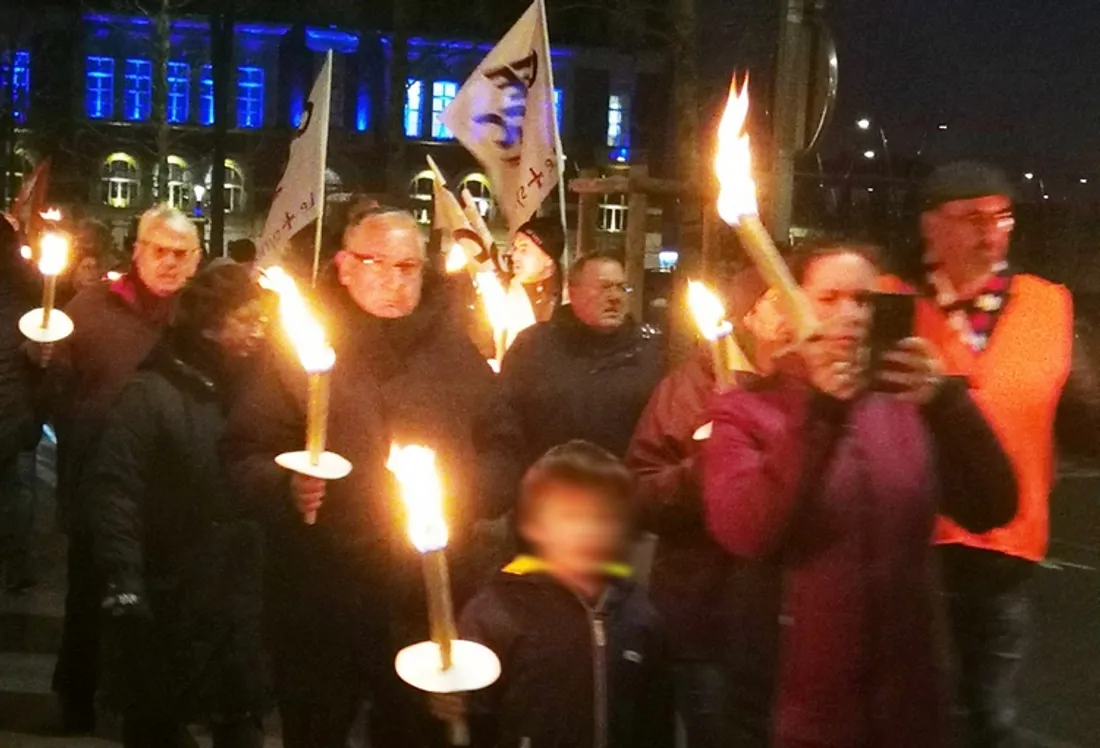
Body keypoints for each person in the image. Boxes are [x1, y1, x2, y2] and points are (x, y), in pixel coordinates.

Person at [223, 202, 519, 748]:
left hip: (425, 588)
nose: (393, 279)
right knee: (317, 723)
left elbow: (504, 446)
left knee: (413, 729)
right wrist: (285, 486)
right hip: (321, 584)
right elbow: (244, 451)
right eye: (375, 262)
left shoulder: (454, 350)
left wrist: (459, 497)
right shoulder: (302, 347)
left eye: (407, 267)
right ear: (344, 265)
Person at [703, 243, 1019, 748]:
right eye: (829, 298)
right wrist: (821, 413)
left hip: (908, 708)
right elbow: (746, 529)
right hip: (793, 714)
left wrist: (947, 401)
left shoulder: (906, 402)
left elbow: (993, 506)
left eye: (865, 299)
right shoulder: (747, 410)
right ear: (789, 305)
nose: (851, 313)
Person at [882, 162, 1100, 748]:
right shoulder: (890, 301)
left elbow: (1086, 421)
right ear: (930, 226)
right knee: (899, 712)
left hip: (1004, 553)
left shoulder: (1048, 305)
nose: (990, 233)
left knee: (986, 718)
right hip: (905, 548)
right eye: (972, 218)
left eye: (1001, 217)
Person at [89, 262, 270, 748]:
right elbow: (116, 488)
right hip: (169, 589)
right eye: (247, 320)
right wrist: (124, 578)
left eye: (263, 320)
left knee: (239, 719)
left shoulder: (258, 392)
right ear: (210, 326)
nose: (259, 332)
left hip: (236, 591)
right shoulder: (152, 392)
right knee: (158, 720)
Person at [48, 205, 202, 732]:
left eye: (181, 253)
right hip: (98, 480)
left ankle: (149, 706)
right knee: (90, 593)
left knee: (161, 599)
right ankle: (77, 697)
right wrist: (42, 363)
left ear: (196, 259)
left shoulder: (198, 316)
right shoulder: (93, 307)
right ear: (137, 252)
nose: (169, 262)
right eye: (159, 250)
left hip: (173, 490)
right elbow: (55, 387)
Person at [440, 441, 673, 748]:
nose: (588, 530)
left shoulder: (639, 617)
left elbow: (656, 724)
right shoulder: (496, 615)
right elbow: (469, 722)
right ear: (535, 524)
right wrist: (448, 707)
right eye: (571, 515)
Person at [626, 330, 778, 748]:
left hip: (795, 624)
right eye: (772, 301)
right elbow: (640, 495)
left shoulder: (811, 388)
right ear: (750, 314)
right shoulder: (686, 389)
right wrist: (705, 468)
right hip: (708, 617)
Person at [500, 252, 664, 468]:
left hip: (623, 483)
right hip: (549, 480)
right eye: (604, 287)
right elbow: (504, 421)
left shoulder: (651, 351)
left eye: (621, 287)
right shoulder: (533, 347)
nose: (615, 297)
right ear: (573, 292)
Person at [0, 216, 41, 594]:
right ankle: (18, 564)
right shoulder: (28, 290)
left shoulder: (24, 291)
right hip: (18, 407)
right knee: (18, 487)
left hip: (14, 402)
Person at [502, 216, 564, 344]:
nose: (514, 256)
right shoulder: (502, 289)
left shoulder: (567, 305)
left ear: (549, 259)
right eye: (514, 248)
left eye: (524, 250)